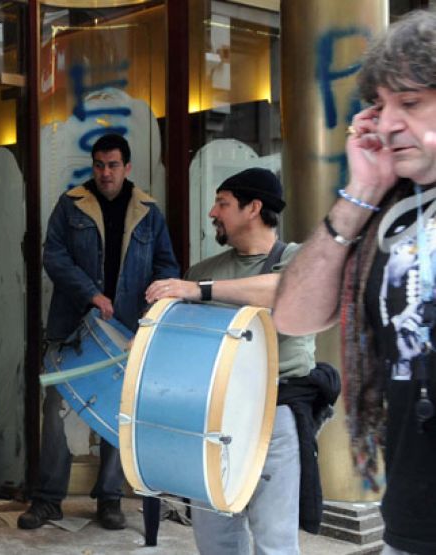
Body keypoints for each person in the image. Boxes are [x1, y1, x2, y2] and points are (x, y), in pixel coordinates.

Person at [274, 10, 436, 554]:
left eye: (410, 103)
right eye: (381, 105)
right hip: (412, 522)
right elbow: (293, 316)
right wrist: (361, 191)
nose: (388, 123)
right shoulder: (389, 210)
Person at [146, 168, 319, 554]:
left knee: (275, 542)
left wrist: (199, 292)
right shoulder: (203, 272)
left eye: (222, 203)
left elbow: (286, 290)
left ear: (253, 208)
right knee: (215, 541)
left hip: (275, 415)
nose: (212, 212)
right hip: (214, 418)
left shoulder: (298, 261)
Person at [19, 133, 180, 531]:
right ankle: (48, 499)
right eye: (99, 165)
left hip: (125, 329)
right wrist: (90, 294)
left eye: (113, 165)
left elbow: (167, 265)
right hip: (71, 328)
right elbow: (52, 255)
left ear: (127, 168)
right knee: (54, 412)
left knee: (116, 412)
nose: (105, 173)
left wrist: (154, 307)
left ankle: (109, 499)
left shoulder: (149, 211)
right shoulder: (71, 203)